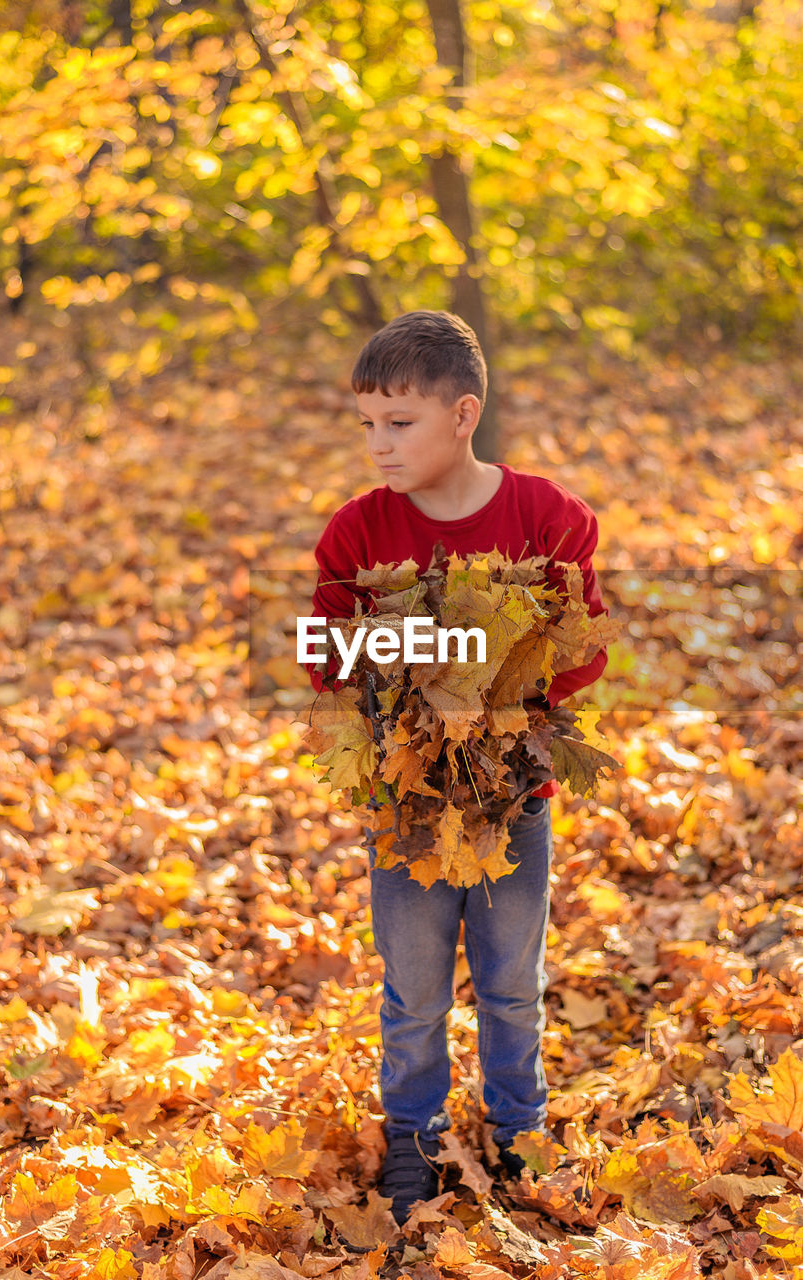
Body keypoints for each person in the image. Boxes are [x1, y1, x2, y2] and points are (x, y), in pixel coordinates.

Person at [303, 310, 608, 1225]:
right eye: (366, 424)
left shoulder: (548, 517)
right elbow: (329, 657)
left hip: (511, 793)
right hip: (406, 797)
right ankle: (414, 1134)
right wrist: (423, 663)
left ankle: (520, 1129)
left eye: (399, 423)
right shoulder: (357, 534)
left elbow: (583, 649)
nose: (378, 445)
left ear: (463, 413)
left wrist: (490, 665)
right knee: (415, 986)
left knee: (513, 979)